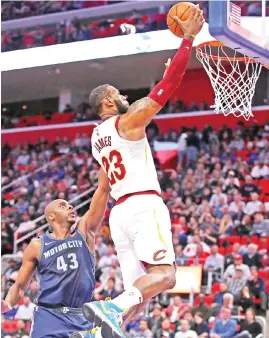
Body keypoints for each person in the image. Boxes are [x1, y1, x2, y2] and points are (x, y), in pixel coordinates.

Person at [80, 7, 205, 338]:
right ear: (108, 100)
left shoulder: (96, 140)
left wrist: (91, 230)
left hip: (118, 215)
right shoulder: (126, 122)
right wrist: (187, 40)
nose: (124, 97)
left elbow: (103, 189)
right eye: (119, 95)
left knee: (137, 299)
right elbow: (169, 87)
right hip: (142, 206)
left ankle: (90, 334)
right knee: (166, 276)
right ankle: (108, 308)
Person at [1, 167, 110, 338]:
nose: (70, 206)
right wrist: (8, 302)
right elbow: (20, 286)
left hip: (82, 316)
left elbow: (102, 191)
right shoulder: (37, 245)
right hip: (49, 317)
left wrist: (106, 160)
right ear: (51, 217)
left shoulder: (84, 232)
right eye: (63, 205)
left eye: (69, 205)